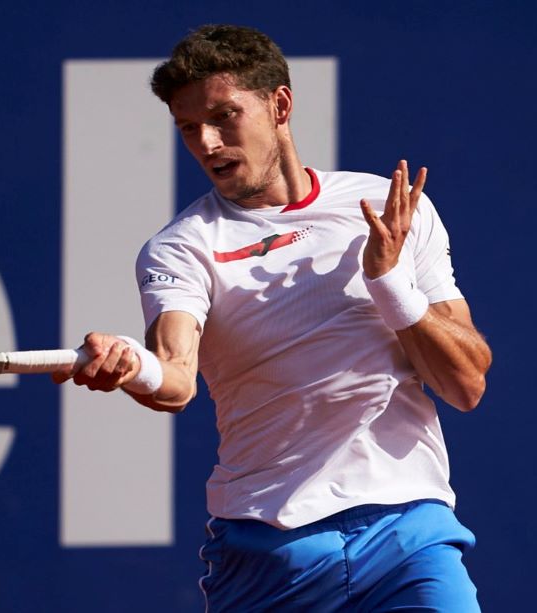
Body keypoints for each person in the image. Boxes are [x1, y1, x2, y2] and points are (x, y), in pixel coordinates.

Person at [54, 24, 492, 612]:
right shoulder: (181, 248)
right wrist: (133, 368)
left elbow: (465, 383)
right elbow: (176, 379)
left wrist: (389, 283)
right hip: (268, 550)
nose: (207, 143)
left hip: (408, 535)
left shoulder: (388, 210)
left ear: (279, 105)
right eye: (189, 128)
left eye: (224, 117)